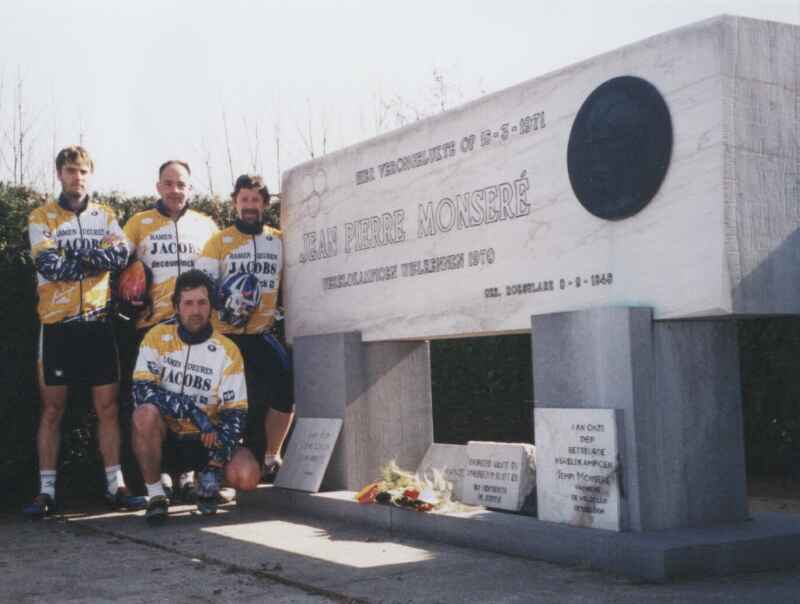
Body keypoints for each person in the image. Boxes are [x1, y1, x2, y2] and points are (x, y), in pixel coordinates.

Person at [24, 145, 134, 517]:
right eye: (71, 170)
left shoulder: (105, 215)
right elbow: (50, 265)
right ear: (59, 174)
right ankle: (47, 491)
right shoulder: (42, 216)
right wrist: (96, 262)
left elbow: (120, 254)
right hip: (57, 326)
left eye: (83, 171)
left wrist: (81, 260)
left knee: (107, 408)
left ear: (90, 174)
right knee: (53, 410)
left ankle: (115, 485)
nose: (77, 177)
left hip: (98, 324)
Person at [121, 160, 219, 499]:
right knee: (152, 405)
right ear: (158, 186)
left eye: (181, 184)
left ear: (190, 188)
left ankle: (190, 473)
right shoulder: (138, 223)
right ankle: (158, 476)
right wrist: (127, 289)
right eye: (169, 183)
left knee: (196, 399)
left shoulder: (206, 225)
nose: (175, 190)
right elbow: (117, 263)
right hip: (152, 328)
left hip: (196, 328)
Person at [131, 270, 259, 524]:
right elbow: (142, 390)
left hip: (206, 440)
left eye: (202, 302)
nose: (196, 310)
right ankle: (156, 496)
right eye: (188, 303)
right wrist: (193, 412)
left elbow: (236, 415)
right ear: (176, 307)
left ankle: (207, 482)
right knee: (143, 413)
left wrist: (215, 464)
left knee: (247, 475)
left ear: (211, 305)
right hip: (167, 438)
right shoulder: (156, 338)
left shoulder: (227, 350)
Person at [197, 174, 293, 481]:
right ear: (235, 203)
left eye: (255, 200)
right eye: (244, 200)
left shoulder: (278, 240)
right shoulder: (218, 241)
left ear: (265, 204)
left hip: (261, 333)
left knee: (285, 389)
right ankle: (211, 468)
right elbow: (202, 284)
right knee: (222, 403)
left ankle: (271, 456)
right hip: (225, 335)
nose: (249, 206)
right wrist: (225, 302)